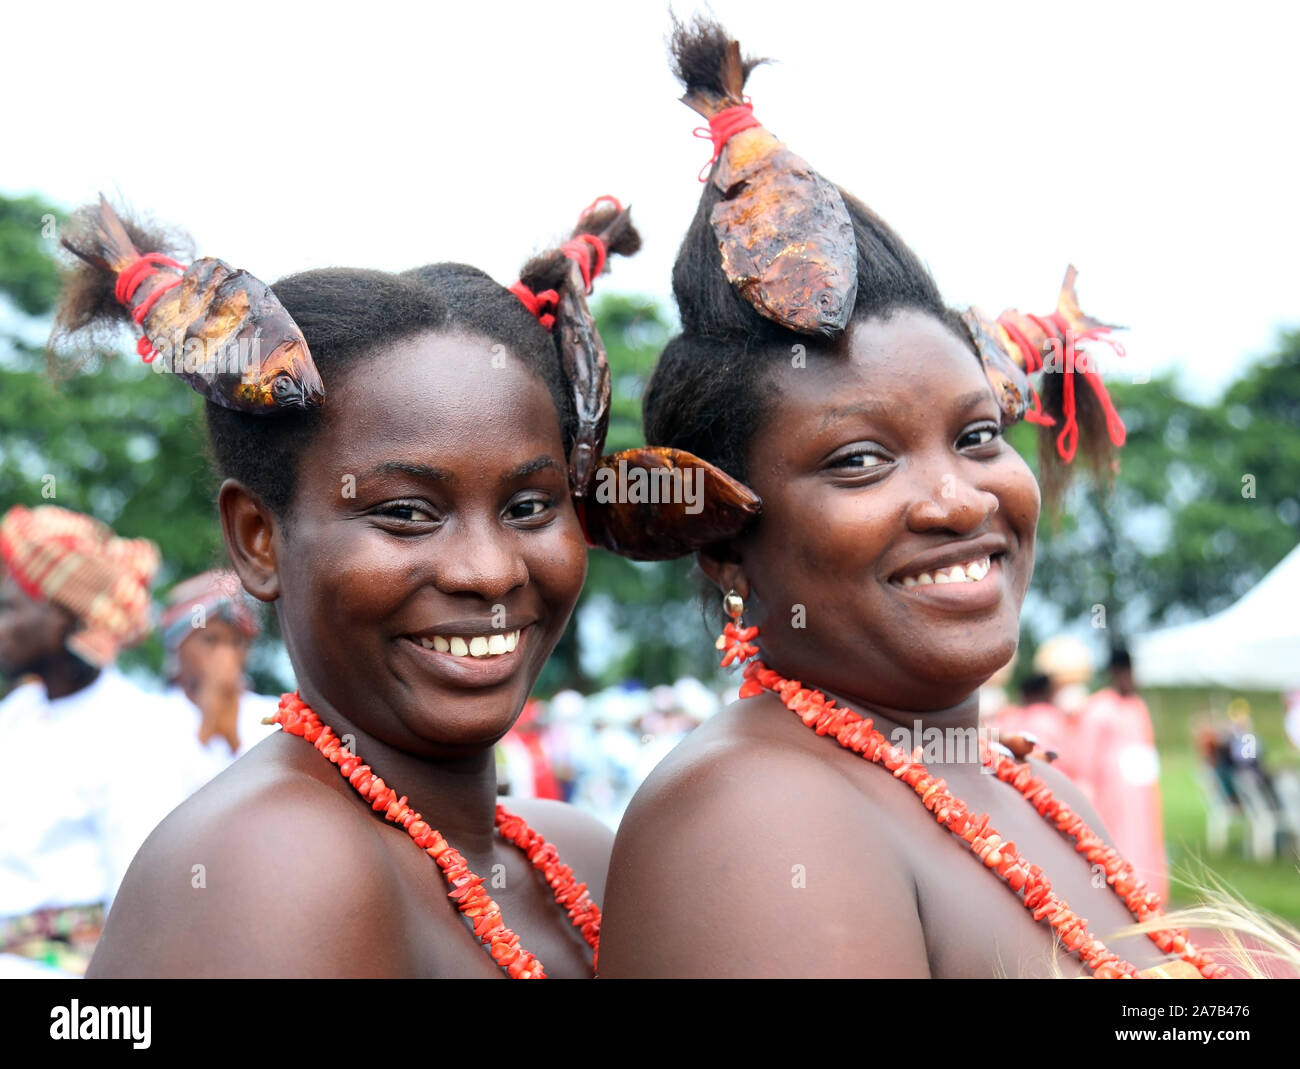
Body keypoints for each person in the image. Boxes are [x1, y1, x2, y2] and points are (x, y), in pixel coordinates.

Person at [597, 16, 1225, 979]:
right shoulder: (755, 814)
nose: (957, 500)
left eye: (977, 438)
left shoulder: (1038, 786)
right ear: (722, 544)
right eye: (858, 461)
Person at [53, 194, 641, 978]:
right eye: (405, 512)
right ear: (258, 541)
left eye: (529, 506)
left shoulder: (578, 853)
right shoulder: (270, 867)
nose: (490, 570)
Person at [0, 504, 191, 975]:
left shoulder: (133, 729)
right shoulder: (17, 715)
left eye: (8, 607)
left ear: (63, 615)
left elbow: (142, 909)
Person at [156, 569, 280, 794]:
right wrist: (207, 729)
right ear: (179, 646)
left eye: (235, 643)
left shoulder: (275, 717)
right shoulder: (148, 718)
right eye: (210, 640)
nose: (225, 658)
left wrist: (233, 740)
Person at [1076, 647, 1168, 902]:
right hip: (1111, 797)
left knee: (1145, 845)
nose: (1129, 679)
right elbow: (1085, 759)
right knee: (1119, 844)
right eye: (1124, 673)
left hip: (1142, 795)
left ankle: (1148, 894)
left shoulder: (1138, 706)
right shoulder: (1098, 708)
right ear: (1115, 673)